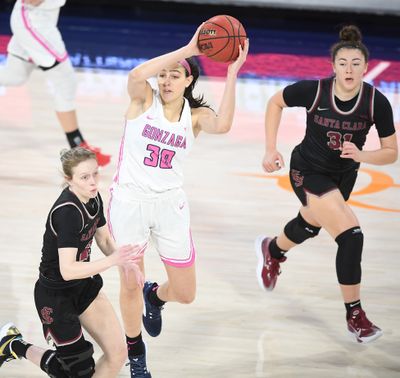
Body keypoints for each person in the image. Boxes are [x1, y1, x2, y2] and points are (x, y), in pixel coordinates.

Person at [107, 24, 248, 377]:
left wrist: (231, 73)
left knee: (185, 293)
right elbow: (138, 72)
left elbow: (226, 124)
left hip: (170, 204)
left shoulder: (195, 117)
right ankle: (135, 352)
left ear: (188, 82)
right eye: (164, 75)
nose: (167, 80)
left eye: (176, 76)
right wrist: (187, 50)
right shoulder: (142, 101)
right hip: (129, 201)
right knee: (129, 281)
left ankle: (156, 298)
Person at [255, 25, 398, 343]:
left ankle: (273, 249)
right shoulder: (314, 91)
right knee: (352, 236)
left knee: (311, 224)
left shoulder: (377, 103)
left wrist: (362, 154)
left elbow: (391, 153)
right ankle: (355, 316)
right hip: (307, 171)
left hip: (343, 177)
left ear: (365, 66)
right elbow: (275, 102)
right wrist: (269, 147)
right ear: (333, 66)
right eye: (343, 63)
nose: (349, 69)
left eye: (356, 63)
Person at [0, 147, 145, 377]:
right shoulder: (67, 212)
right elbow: (68, 270)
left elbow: (104, 237)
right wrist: (112, 260)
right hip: (56, 296)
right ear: (69, 179)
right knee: (73, 372)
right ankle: (13, 345)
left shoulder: (93, 196)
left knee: (118, 353)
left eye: (95, 174)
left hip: (83, 285)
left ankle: (12, 344)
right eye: (84, 177)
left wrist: (125, 262)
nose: (93, 182)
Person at [0, 0, 111, 166]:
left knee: (15, 76)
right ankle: (78, 147)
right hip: (34, 21)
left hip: (40, 18)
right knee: (66, 81)